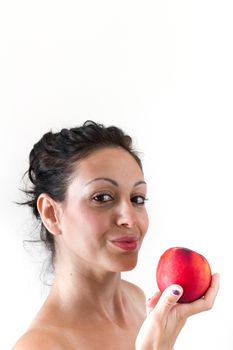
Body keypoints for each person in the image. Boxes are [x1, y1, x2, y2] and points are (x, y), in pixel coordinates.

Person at [12, 120, 219, 350]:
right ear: (51, 214)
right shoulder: (40, 346)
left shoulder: (136, 300)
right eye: (101, 198)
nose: (130, 219)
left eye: (137, 199)